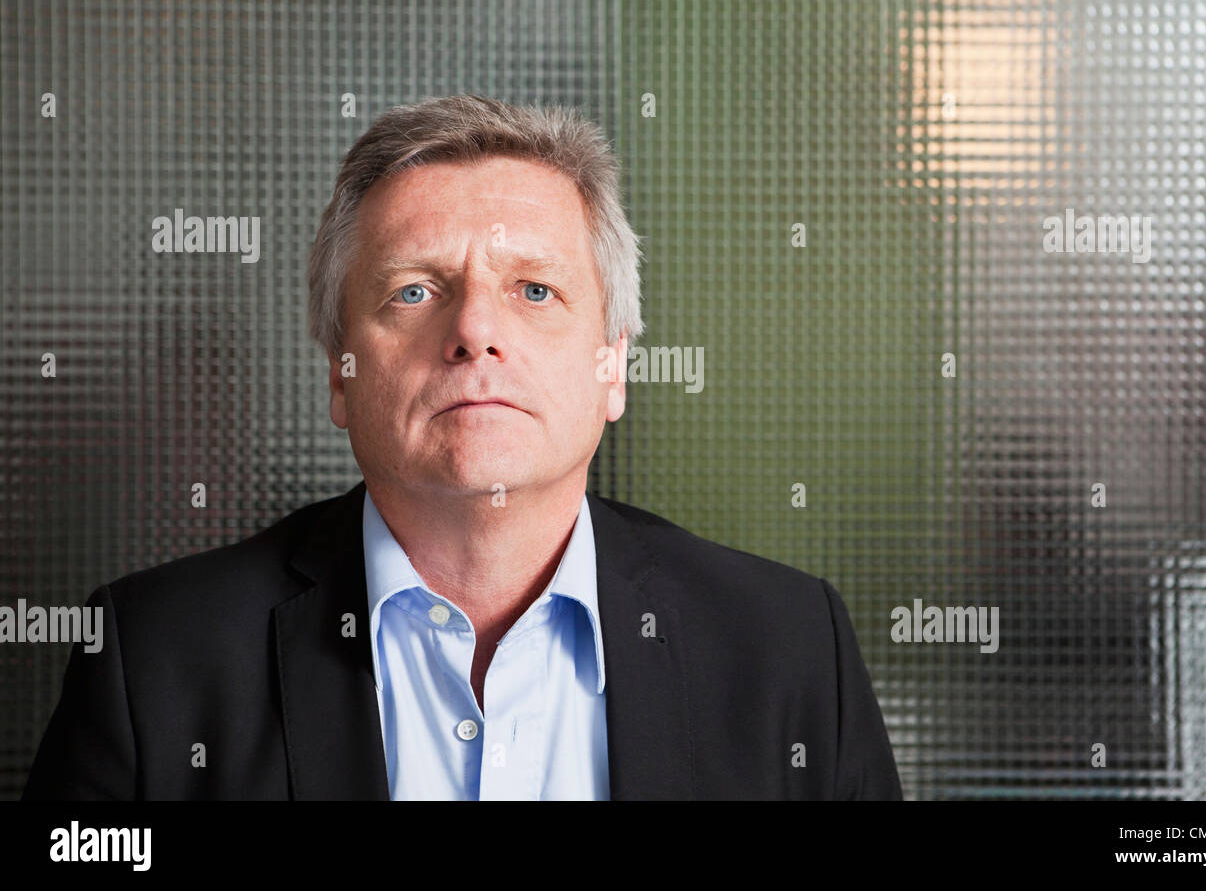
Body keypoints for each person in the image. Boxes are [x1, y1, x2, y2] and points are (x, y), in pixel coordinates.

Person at [23, 94, 902, 800]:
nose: (476, 329)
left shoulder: (789, 653)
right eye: (413, 291)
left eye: (534, 289)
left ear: (613, 367)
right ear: (340, 372)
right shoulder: (152, 662)